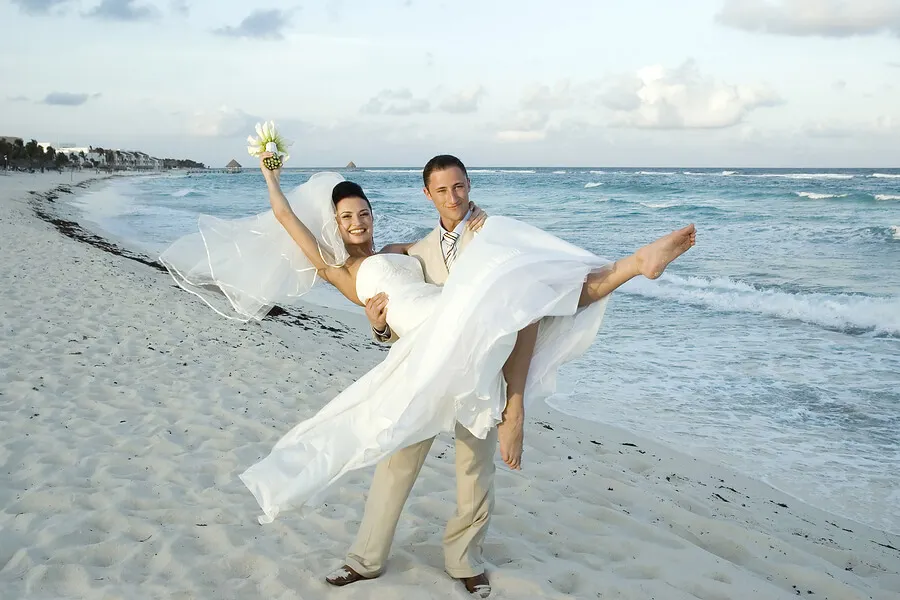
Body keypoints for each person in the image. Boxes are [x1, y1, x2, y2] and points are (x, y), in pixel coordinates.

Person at [230, 153, 695, 597]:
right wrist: (271, 175)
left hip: (450, 323)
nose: (358, 223)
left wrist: (481, 228)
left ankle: (465, 561)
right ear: (334, 224)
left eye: (364, 213)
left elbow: (458, 266)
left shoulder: (407, 247)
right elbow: (287, 219)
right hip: (424, 348)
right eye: (348, 217)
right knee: (398, 460)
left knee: (478, 455)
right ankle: (365, 558)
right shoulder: (335, 268)